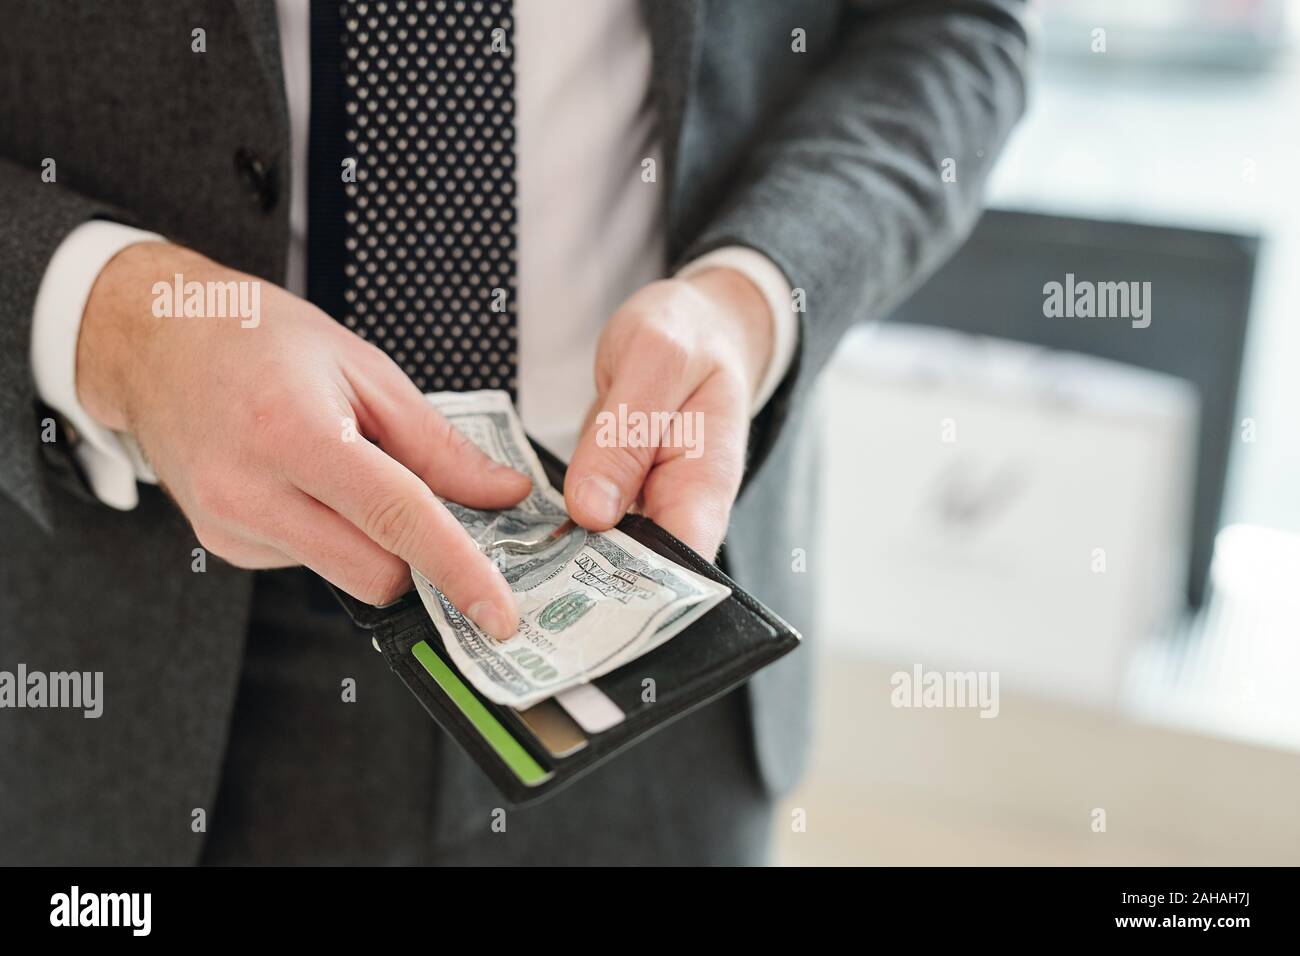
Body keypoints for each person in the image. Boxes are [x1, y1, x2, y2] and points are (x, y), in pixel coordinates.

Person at [0, 0, 1029, 864]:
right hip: (124, 644)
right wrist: (112, 324)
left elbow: (952, 28)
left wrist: (753, 293)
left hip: (662, 638)